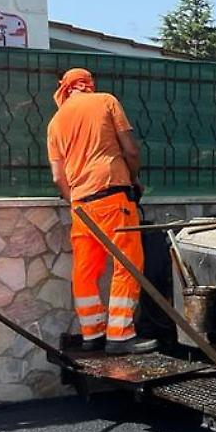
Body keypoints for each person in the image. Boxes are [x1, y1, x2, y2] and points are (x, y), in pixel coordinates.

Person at [46, 68, 157, 355]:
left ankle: (92, 334)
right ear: (88, 85)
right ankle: (119, 335)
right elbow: (130, 151)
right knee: (127, 262)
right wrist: (133, 181)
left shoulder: (55, 122)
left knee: (85, 269)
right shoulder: (106, 101)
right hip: (111, 195)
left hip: (81, 206)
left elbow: (59, 178)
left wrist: (76, 203)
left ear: (66, 89)